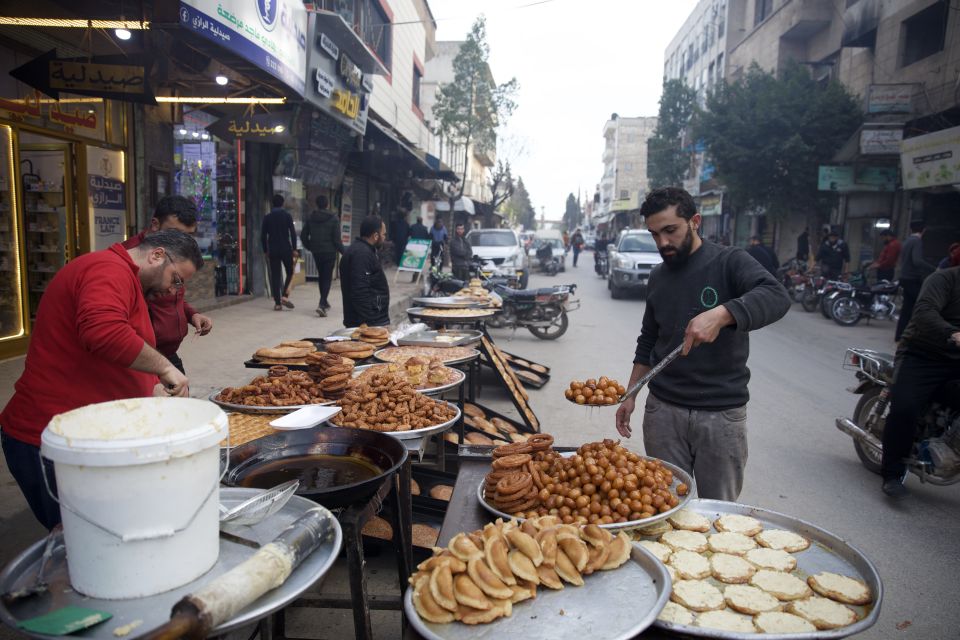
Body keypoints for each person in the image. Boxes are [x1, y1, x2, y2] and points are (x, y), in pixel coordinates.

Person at [1, 230, 203, 529]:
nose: (173, 290)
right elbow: (103, 332)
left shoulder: (126, 280)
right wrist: (164, 367)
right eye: (175, 279)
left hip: (87, 436)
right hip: (50, 438)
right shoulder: (107, 269)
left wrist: (151, 389)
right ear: (157, 255)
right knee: (81, 540)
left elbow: (117, 354)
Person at [614, 187, 791, 501]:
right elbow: (648, 340)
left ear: (694, 221)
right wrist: (631, 393)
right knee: (666, 506)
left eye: (670, 230)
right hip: (663, 413)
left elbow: (776, 296)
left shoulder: (729, 262)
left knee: (718, 512)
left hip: (720, 416)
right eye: (654, 234)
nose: (662, 243)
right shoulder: (657, 277)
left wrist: (724, 314)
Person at [880, 265, 960, 499]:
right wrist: (953, 333)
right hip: (923, 353)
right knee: (905, 408)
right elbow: (924, 311)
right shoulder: (945, 279)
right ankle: (892, 474)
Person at [120, 196, 213, 374]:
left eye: (189, 236)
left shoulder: (174, 255)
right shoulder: (131, 260)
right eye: (175, 233)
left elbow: (172, 295)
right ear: (155, 224)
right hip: (143, 357)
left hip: (169, 355)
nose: (181, 241)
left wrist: (191, 314)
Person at [340, 215, 390, 327]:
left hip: (370, 320)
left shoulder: (364, 250)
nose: (384, 237)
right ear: (376, 236)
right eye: (384, 234)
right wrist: (369, 323)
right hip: (366, 323)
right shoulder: (361, 254)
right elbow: (360, 291)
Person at [300, 195, 344, 317]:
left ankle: (324, 301)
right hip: (329, 252)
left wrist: (311, 247)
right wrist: (344, 252)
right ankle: (322, 303)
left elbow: (303, 236)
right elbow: (336, 240)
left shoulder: (311, 218)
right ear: (327, 205)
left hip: (317, 252)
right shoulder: (334, 219)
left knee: (321, 276)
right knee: (327, 277)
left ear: (317, 204)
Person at [896, 221, 937, 342]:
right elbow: (917, 261)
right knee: (922, 306)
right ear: (923, 230)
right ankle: (916, 335)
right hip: (913, 278)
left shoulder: (907, 241)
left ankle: (900, 335)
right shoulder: (917, 241)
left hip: (905, 277)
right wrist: (934, 269)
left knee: (907, 308)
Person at [262, 194, 298, 311]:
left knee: (275, 276)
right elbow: (292, 233)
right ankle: (285, 296)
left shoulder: (267, 217)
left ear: (273, 204)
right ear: (282, 204)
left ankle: (278, 303)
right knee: (290, 272)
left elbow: (263, 236)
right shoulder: (287, 216)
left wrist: (265, 250)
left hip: (273, 250)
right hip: (286, 249)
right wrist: (294, 248)